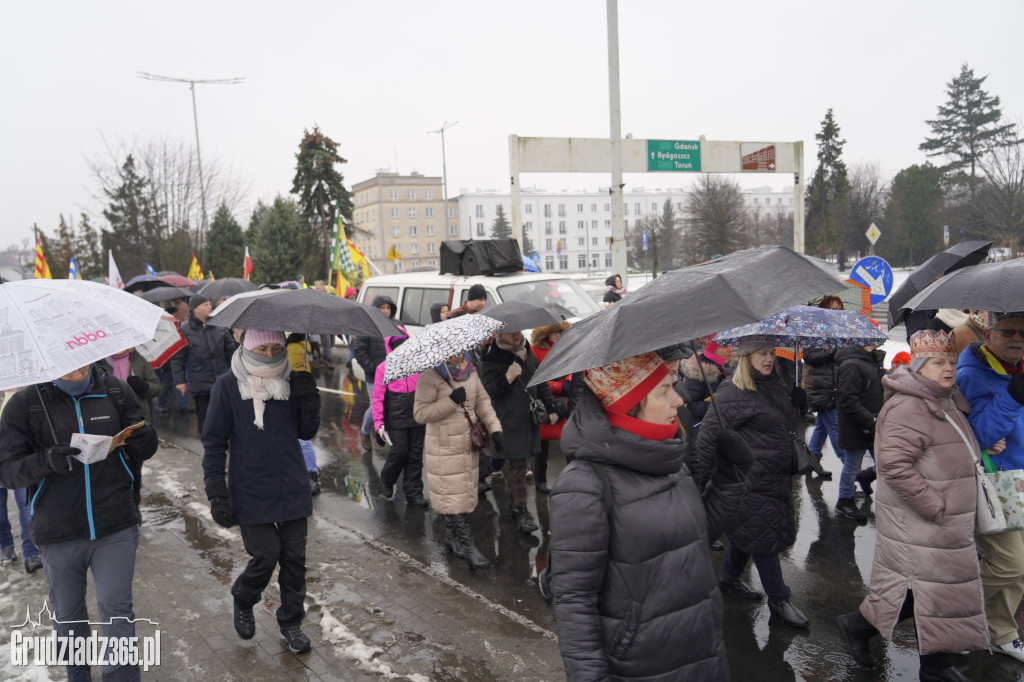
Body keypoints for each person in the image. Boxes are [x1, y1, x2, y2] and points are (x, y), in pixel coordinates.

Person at [548, 351, 752, 680]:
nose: (679, 401)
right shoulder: (584, 486)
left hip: (704, 650)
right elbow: (574, 602)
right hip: (641, 667)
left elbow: (691, 541)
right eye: (664, 390)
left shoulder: (666, 454)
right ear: (627, 404)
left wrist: (732, 478)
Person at [835, 331, 987, 681]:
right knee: (928, 588)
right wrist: (936, 506)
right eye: (938, 362)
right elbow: (893, 465)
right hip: (922, 519)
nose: (948, 368)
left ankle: (932, 663)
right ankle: (924, 660)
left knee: (933, 590)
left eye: (951, 361)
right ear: (919, 367)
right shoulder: (909, 405)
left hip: (944, 519)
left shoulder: (942, 399)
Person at [0, 363, 159, 682]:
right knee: (69, 614)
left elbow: (140, 435)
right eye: (66, 368)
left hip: (115, 522)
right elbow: (7, 470)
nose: (76, 373)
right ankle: (78, 674)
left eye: (81, 364)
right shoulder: (26, 402)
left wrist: (145, 442)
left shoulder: (115, 390)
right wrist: (45, 460)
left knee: (116, 609)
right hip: (57, 530)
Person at [202, 329, 322, 654]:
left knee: (295, 559)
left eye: (276, 348)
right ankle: (243, 596)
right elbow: (213, 442)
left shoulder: (293, 380)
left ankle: (291, 623)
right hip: (250, 486)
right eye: (262, 348)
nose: (270, 355)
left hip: (292, 482)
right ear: (246, 346)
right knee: (267, 555)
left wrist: (310, 403)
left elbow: (305, 430)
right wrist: (216, 491)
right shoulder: (228, 385)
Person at [695, 336, 810, 629]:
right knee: (764, 538)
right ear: (746, 357)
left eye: (771, 352)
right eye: (762, 353)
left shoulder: (775, 385)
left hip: (775, 478)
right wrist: (698, 485)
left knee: (751, 531)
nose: (769, 358)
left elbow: (782, 427)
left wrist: (799, 406)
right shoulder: (732, 393)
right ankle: (779, 599)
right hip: (749, 481)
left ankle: (731, 577)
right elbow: (707, 440)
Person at [956, 311, 1024, 662]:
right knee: (1011, 563)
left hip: (1021, 476)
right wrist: (1013, 396)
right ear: (988, 333)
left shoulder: (1017, 367)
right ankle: (951, 608)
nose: (1018, 339)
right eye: (1009, 331)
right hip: (999, 481)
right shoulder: (973, 374)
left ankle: (1002, 632)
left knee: (1019, 565)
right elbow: (979, 435)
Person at [413, 352, 503, 570]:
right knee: (451, 495)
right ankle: (468, 545)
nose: (457, 355)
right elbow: (420, 414)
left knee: (461, 493)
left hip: (467, 444)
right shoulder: (429, 375)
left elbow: (483, 402)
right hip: (443, 446)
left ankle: (453, 538)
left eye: (460, 351)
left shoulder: (470, 371)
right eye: (452, 353)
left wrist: (495, 430)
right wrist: (450, 401)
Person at [478, 331, 556, 534]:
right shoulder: (491, 356)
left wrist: (551, 407)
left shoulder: (526, 351)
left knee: (519, 464)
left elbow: (540, 381)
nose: (518, 336)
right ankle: (521, 510)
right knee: (518, 465)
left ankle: (514, 503)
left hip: (527, 419)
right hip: (506, 421)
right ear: (501, 335)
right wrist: (507, 377)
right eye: (512, 334)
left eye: (519, 332)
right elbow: (488, 391)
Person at [372, 332, 428, 507]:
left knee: (415, 456)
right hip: (395, 418)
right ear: (391, 348)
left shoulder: (418, 364)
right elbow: (377, 398)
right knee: (400, 452)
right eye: (397, 347)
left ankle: (414, 493)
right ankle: (387, 479)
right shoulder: (383, 368)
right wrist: (379, 424)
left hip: (417, 416)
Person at [172, 294, 238, 434]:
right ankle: (208, 446)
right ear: (195, 309)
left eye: (210, 304)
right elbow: (178, 358)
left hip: (222, 378)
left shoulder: (219, 325)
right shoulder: (184, 329)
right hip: (199, 381)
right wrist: (180, 381)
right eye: (205, 305)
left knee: (225, 414)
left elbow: (230, 350)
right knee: (205, 416)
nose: (210, 307)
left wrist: (234, 371)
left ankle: (226, 443)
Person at [834, 343, 885, 521]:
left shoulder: (869, 361)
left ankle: (867, 476)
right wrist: (869, 420)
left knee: (886, 462)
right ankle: (844, 501)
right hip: (857, 425)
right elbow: (847, 399)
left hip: (872, 424)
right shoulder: (851, 364)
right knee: (852, 465)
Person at [351, 295, 397, 452]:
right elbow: (359, 350)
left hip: (393, 375)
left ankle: (387, 437)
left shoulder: (396, 325)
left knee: (390, 406)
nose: (385, 311)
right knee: (376, 407)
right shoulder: (367, 326)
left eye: (388, 308)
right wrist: (371, 368)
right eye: (382, 308)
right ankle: (365, 432)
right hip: (374, 377)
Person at [530, 321, 571, 494]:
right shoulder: (535, 350)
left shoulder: (564, 347)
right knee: (541, 447)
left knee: (570, 444)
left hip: (564, 402)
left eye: (561, 332)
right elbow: (535, 378)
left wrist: (569, 382)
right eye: (555, 332)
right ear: (544, 333)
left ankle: (575, 479)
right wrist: (559, 387)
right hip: (545, 402)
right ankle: (540, 480)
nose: (558, 335)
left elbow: (572, 367)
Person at [286, 333, 321, 495]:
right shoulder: (303, 343)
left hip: (297, 391)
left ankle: (311, 474)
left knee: (302, 438)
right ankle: (309, 473)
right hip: (295, 388)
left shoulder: (292, 345)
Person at [96, 348, 160, 423]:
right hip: (109, 417)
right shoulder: (98, 364)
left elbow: (156, 387)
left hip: (137, 417)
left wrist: (144, 387)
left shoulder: (138, 360)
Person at [0, 485, 41, 573]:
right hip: (17, 472)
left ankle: (28, 553)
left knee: (26, 505)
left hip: (17, 471)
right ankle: (8, 547)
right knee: (25, 506)